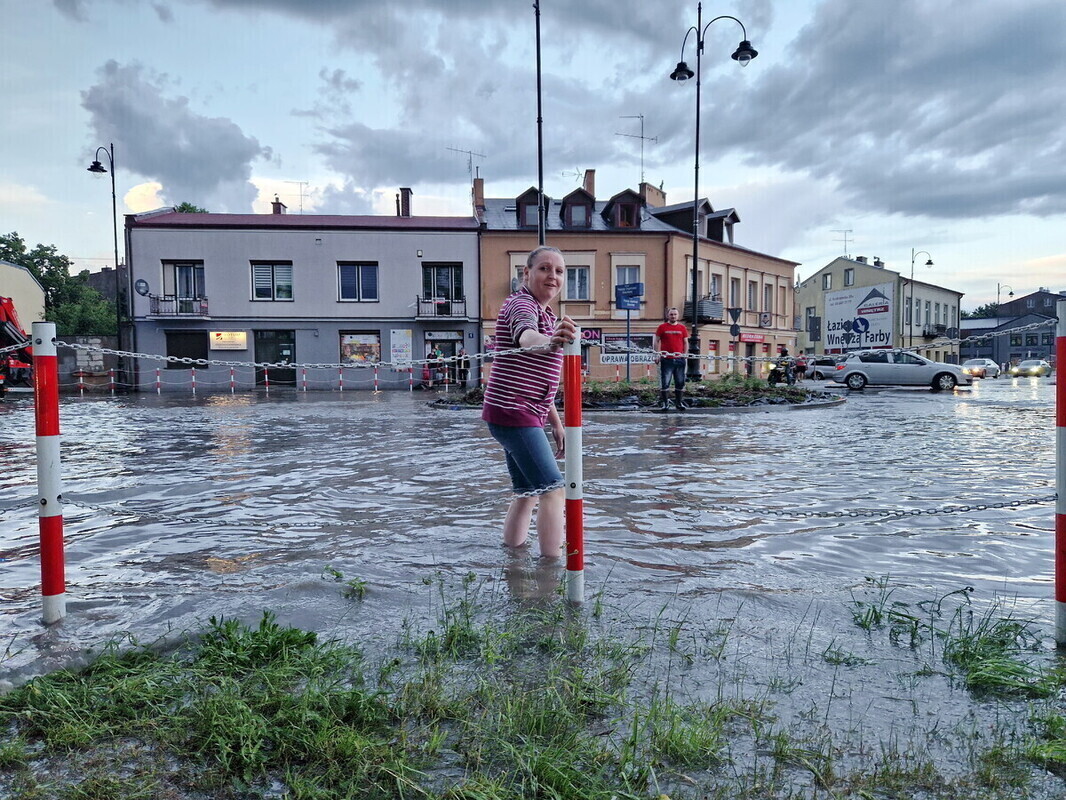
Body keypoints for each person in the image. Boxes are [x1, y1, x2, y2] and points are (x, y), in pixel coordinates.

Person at [482, 245, 576, 557]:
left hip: (516, 412)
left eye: (559, 271)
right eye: (544, 268)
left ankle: (513, 560)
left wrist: (556, 424)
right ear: (527, 273)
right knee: (553, 489)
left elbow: (537, 379)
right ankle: (553, 572)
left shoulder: (546, 313)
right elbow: (526, 337)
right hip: (514, 411)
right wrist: (550, 341)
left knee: (527, 492)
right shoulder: (523, 304)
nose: (553, 276)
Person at [653, 307, 689, 411]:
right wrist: (656, 354)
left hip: (679, 359)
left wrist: (685, 354)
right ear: (668, 316)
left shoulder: (682, 328)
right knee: (665, 382)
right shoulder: (662, 327)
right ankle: (665, 404)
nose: (673, 316)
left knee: (680, 382)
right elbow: (656, 341)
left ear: (678, 316)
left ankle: (679, 403)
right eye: (671, 314)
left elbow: (686, 342)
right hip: (666, 359)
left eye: (675, 314)